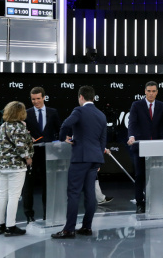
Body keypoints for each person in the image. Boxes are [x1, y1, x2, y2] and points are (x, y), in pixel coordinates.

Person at [51, 86, 107, 239]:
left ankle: (69, 230)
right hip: (95, 159)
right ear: (93, 98)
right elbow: (103, 141)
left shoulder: (79, 110)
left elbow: (65, 125)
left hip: (81, 158)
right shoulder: (101, 115)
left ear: (81, 97)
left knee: (74, 193)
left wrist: (64, 138)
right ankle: (87, 227)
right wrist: (98, 160)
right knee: (90, 194)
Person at [127, 81, 163, 213]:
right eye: (149, 91)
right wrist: (131, 136)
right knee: (140, 175)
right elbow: (132, 123)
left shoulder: (161, 106)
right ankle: (140, 203)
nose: (151, 94)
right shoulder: (136, 105)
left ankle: (154, 201)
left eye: (153, 91)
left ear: (157, 92)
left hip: (156, 147)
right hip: (140, 146)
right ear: (145, 91)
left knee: (155, 175)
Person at [0, 101, 33, 236]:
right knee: (14, 196)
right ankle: (11, 227)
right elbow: (21, 147)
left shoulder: (2, 127)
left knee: (2, 193)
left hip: (1, 166)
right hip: (16, 167)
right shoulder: (19, 127)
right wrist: (28, 158)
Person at [22, 87, 61, 223]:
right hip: (31, 155)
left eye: (38, 98)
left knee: (48, 185)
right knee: (28, 186)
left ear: (44, 97)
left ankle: (47, 213)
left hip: (49, 154)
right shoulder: (26, 113)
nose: (36, 101)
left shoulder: (53, 112)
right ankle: (29, 214)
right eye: (33, 99)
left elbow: (59, 131)